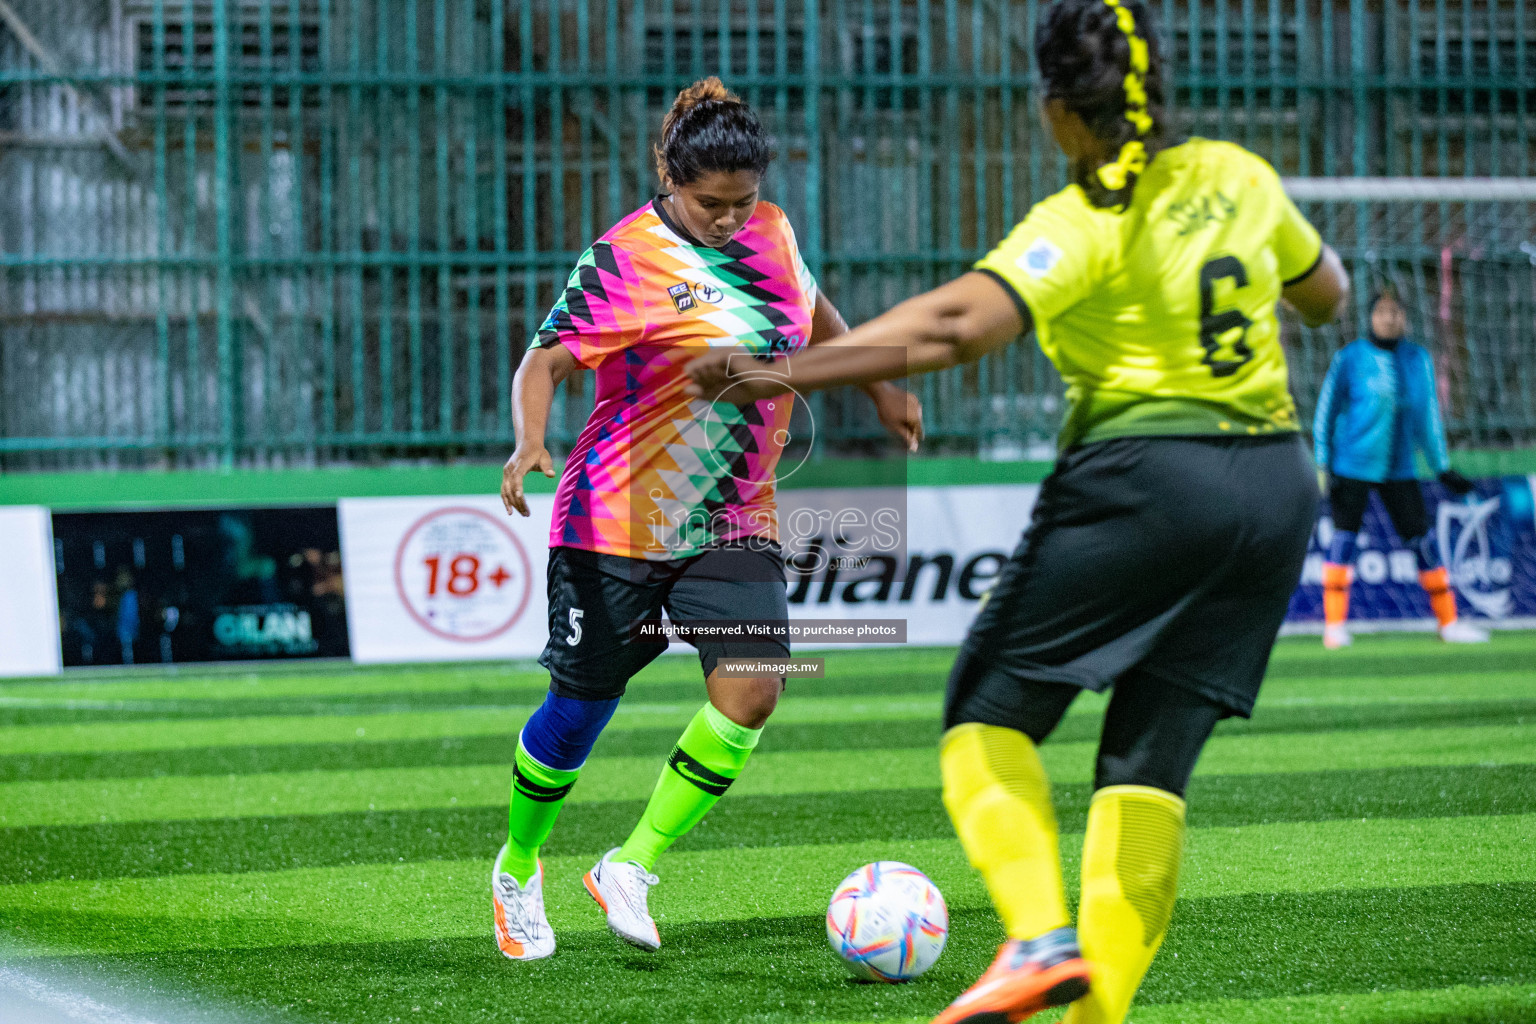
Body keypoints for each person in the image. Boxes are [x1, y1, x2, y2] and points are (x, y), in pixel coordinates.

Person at [684, 2, 1348, 1020]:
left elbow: (955, 325)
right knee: (1146, 769)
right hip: (1275, 487)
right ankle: (1096, 1011)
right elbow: (1327, 293)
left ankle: (1037, 935)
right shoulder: (1239, 176)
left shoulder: (1081, 221)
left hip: (1148, 476)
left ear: (1054, 109)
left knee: (985, 717)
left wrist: (782, 370)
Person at [493, 77, 923, 962]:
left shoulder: (771, 230)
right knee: (579, 711)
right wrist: (529, 440)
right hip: (614, 521)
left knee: (754, 688)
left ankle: (631, 865)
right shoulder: (621, 259)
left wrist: (880, 382)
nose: (731, 219)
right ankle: (518, 865)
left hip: (733, 517)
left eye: (744, 201)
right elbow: (541, 363)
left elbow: (815, 312)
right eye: (711, 204)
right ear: (669, 178)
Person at [1312, 289, 1488, 648]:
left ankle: (1448, 623)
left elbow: (1428, 418)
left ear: (1405, 317)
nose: (1389, 319)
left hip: (1401, 468)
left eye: (1396, 313)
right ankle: (1333, 627)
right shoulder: (1350, 358)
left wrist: (1441, 467)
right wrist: (1323, 462)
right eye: (1382, 312)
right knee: (1343, 540)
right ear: (1370, 317)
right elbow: (1325, 412)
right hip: (1351, 465)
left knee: (1422, 542)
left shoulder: (1417, 359)